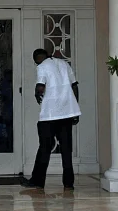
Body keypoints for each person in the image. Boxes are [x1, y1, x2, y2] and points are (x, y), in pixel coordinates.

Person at [23, 49, 80, 190]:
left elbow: (40, 86)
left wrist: (37, 94)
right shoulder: (64, 64)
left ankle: (37, 181)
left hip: (50, 114)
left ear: (37, 59)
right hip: (67, 112)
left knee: (45, 147)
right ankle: (68, 183)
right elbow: (74, 86)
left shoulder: (42, 66)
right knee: (66, 149)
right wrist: (74, 109)